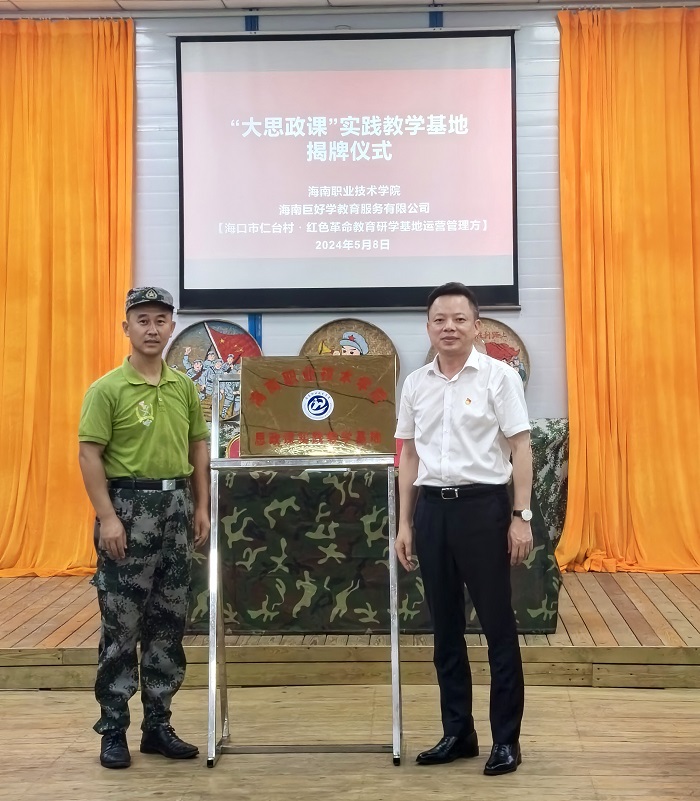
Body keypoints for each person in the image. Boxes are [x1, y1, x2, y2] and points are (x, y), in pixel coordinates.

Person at [395, 282, 533, 776]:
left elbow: (521, 448)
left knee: (498, 626)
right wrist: (404, 522)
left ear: (477, 326)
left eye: (458, 319)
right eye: (439, 320)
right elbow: (409, 456)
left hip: (484, 510)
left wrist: (520, 516)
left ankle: (506, 740)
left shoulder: (499, 377)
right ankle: (458, 733)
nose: (449, 327)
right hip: (433, 511)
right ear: (428, 328)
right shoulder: (416, 384)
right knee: (445, 629)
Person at [78, 287, 211, 769]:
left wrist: (202, 506)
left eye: (160, 320)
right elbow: (89, 454)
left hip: (176, 507)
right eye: (142, 320)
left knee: (168, 624)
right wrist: (107, 517)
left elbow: (198, 446)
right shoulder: (107, 389)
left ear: (172, 327)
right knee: (121, 626)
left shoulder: (183, 387)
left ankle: (158, 726)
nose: (152, 329)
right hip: (128, 509)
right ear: (126, 328)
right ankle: (113, 729)